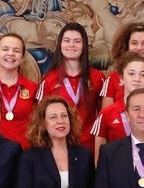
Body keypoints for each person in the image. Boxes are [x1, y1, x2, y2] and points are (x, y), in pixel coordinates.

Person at [36, 23, 106, 151]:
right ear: (60, 44)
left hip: (89, 147)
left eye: (77, 41)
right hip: (58, 147)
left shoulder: (98, 77)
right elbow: (40, 118)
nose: (71, 45)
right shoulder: (48, 79)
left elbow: (105, 115)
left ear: (84, 45)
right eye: (67, 41)